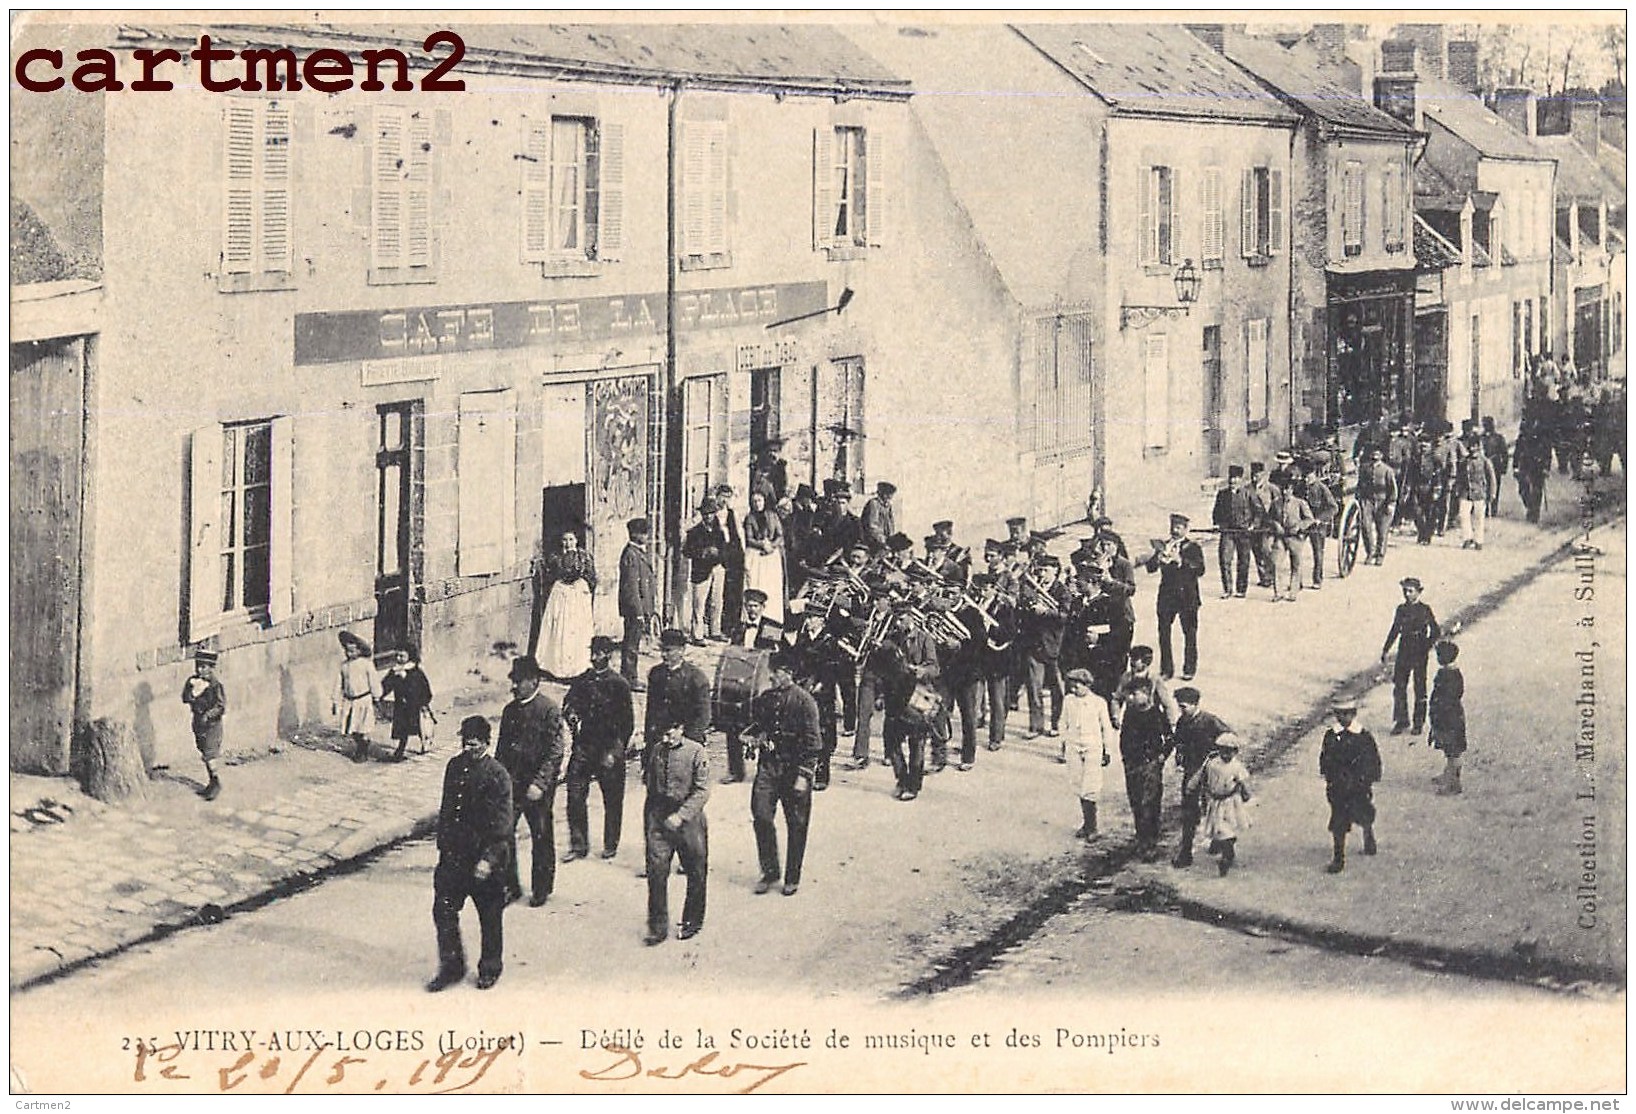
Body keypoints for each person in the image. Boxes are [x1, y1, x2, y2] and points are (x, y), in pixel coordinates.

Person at [427, 715, 513, 991]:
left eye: (475, 746)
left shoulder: (498, 775)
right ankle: (452, 967)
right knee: (443, 910)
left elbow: (502, 825)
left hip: (484, 859)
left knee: (489, 915)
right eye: (466, 745)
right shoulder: (454, 767)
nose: (470, 750)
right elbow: (447, 809)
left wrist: (488, 860)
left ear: (487, 743)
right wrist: (443, 846)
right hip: (454, 856)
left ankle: (490, 967)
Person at [746, 651, 823, 896]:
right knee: (761, 815)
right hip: (769, 767)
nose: (772, 677)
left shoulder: (805, 702)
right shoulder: (766, 699)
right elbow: (755, 726)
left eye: (776, 672)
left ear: (788, 673)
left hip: (794, 769)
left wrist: (804, 776)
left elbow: (814, 745)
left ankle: (792, 877)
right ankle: (770, 872)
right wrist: (755, 738)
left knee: (797, 824)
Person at [494, 656, 565, 908]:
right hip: (512, 784)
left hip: (537, 788)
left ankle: (541, 887)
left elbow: (556, 752)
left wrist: (540, 783)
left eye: (518, 681)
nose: (513, 686)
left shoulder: (549, 710)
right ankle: (510, 886)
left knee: (541, 835)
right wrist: (497, 782)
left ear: (534, 681)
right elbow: (501, 751)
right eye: (513, 681)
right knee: (503, 834)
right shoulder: (509, 711)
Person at [562, 637, 634, 862]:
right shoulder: (583, 680)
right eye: (593, 652)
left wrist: (616, 751)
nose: (594, 657)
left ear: (609, 656)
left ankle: (610, 843)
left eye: (599, 653)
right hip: (584, 745)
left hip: (609, 748)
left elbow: (627, 724)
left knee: (612, 800)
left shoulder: (619, 684)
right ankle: (578, 845)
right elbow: (568, 704)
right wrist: (571, 714)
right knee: (574, 794)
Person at [642, 713, 710, 945]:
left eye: (670, 733)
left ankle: (692, 921)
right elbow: (650, 783)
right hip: (659, 816)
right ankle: (657, 926)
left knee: (696, 870)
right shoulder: (656, 750)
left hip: (688, 818)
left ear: (681, 727)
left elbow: (702, 791)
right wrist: (653, 818)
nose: (666, 738)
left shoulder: (696, 752)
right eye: (662, 734)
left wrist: (681, 816)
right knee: (656, 870)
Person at [721, 588, 783, 784]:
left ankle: (765, 772)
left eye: (755, 606)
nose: (752, 610)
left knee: (765, 727)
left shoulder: (773, 627)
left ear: (763, 608)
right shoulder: (739, 628)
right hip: (741, 684)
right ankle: (735, 771)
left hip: (763, 686)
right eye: (749, 606)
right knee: (733, 724)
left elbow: (779, 657)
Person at [879, 612, 941, 801]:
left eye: (901, 619)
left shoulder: (924, 639)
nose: (898, 623)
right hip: (895, 696)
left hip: (916, 696)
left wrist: (921, 671)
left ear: (911, 618)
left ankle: (912, 785)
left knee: (917, 743)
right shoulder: (891, 639)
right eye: (896, 620)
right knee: (891, 741)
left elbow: (934, 668)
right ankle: (901, 778)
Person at [1169, 686, 1231, 868]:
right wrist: (1179, 753)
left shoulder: (1209, 721)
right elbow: (1178, 741)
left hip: (1210, 772)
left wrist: (1217, 756)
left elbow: (1229, 737)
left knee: (1213, 807)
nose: (1181, 710)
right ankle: (1186, 852)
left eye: (1184, 706)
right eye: (1179, 706)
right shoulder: (1182, 721)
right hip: (1191, 772)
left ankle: (1219, 840)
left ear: (1195, 704)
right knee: (1189, 811)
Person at [1320, 698, 1381, 874]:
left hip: (1358, 786)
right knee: (1338, 819)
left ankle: (1368, 834)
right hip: (1338, 786)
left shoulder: (1363, 736)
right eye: (1339, 714)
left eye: (1346, 714)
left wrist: (1368, 778)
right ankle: (1338, 857)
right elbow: (1325, 758)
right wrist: (1330, 777)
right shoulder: (1331, 735)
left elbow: (1372, 759)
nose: (1342, 718)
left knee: (1363, 812)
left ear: (1354, 714)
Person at [1143, 513, 1206, 679]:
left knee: (1190, 634)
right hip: (1167, 596)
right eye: (1173, 527)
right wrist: (1157, 559)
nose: (1174, 530)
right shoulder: (1163, 545)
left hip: (1187, 596)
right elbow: (1150, 569)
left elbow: (1200, 569)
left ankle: (1189, 669)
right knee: (1164, 633)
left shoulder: (1193, 547)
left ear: (1186, 529)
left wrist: (1180, 561)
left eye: (1178, 527)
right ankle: (1166, 669)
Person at [1119, 677, 1171, 860]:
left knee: (1149, 803)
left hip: (1150, 765)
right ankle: (1141, 837)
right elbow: (1123, 738)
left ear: (1147, 694)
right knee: (1135, 801)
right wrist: (1125, 758)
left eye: (1135, 694)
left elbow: (1169, 737)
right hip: (1132, 764)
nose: (1130, 698)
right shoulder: (1130, 713)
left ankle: (1150, 842)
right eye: (1130, 694)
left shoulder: (1156, 713)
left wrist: (1162, 756)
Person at [1185, 733, 1252, 876]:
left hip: (1230, 802)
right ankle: (1229, 848)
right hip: (1215, 801)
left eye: (1230, 751)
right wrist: (1196, 788)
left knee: (1224, 828)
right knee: (1219, 828)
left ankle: (1226, 858)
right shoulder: (1212, 763)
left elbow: (1242, 782)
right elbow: (1203, 777)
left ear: (1235, 752)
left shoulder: (1236, 766)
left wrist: (1245, 793)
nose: (1226, 754)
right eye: (1223, 750)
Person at [1381, 577, 1441, 736]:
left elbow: (1436, 631)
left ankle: (1418, 723)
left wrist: (1427, 645)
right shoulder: (1401, 609)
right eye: (1404, 591)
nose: (1407, 594)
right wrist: (1386, 649)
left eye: (1410, 591)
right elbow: (1394, 630)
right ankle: (1401, 721)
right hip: (1404, 648)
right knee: (1399, 686)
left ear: (1419, 592)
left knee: (1419, 687)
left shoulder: (1425, 609)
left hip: (1419, 650)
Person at [535, 529, 597, 682]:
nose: (568, 543)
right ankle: (558, 668)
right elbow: (550, 575)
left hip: (577, 597)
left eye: (571, 539)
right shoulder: (556, 558)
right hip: (561, 595)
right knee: (559, 628)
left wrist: (582, 587)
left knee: (577, 630)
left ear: (576, 540)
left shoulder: (584, 557)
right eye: (565, 540)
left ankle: (578, 668)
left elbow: (592, 577)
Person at [643, 629, 712, 767]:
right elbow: (651, 711)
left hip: (687, 743)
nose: (664, 655)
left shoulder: (696, 678)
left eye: (669, 651)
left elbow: (704, 716)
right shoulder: (656, 674)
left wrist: (684, 735)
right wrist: (649, 743)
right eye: (662, 650)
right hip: (659, 741)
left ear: (681, 650)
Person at [1020, 555, 1070, 741]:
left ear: (1055, 571)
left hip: (1055, 646)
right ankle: (1036, 725)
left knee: (1058, 689)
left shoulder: (1062, 590)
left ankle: (1056, 723)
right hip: (1035, 646)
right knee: (1034, 689)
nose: (1042, 573)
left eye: (1046, 570)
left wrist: (1046, 611)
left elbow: (1065, 616)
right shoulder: (1033, 588)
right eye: (1040, 570)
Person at [1061, 668, 1114, 839]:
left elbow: (1106, 727)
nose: (1074, 690)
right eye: (1072, 687)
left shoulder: (1099, 702)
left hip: (1093, 747)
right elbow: (1063, 722)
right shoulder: (1068, 701)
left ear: (1087, 685)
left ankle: (1092, 826)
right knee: (1077, 783)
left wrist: (1107, 750)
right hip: (1073, 745)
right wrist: (1063, 742)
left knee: (1090, 786)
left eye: (1077, 687)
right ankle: (1086, 823)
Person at [617, 517, 658, 690]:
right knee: (631, 644)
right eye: (643, 533)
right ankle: (629, 677)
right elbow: (632, 586)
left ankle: (629, 676)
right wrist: (639, 611)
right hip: (634, 608)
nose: (647, 536)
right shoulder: (631, 554)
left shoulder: (638, 552)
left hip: (640, 607)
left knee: (634, 642)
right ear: (634, 534)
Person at [682, 498, 729, 645]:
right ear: (702, 514)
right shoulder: (694, 532)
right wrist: (703, 552)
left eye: (711, 513)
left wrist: (719, 554)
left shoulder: (720, 530)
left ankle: (715, 631)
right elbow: (687, 551)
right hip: (701, 570)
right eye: (706, 513)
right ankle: (697, 634)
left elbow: (726, 550)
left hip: (717, 568)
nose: (708, 516)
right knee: (699, 603)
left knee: (717, 601)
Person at [181, 647, 226, 800]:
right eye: (198, 666)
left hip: (212, 725)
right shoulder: (192, 681)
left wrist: (208, 715)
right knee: (202, 749)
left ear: (211, 668)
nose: (200, 670)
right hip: (198, 723)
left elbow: (221, 706)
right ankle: (211, 781)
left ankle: (216, 782)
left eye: (204, 666)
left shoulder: (215, 686)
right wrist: (192, 693)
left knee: (209, 753)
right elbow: (185, 698)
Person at [380, 646, 435, 762]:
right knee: (402, 728)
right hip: (401, 705)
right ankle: (400, 750)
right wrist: (380, 694)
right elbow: (386, 685)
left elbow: (423, 689)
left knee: (419, 726)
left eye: (402, 656)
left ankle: (424, 742)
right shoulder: (395, 671)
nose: (399, 658)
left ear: (410, 656)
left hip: (415, 705)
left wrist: (406, 679)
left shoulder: (415, 672)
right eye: (397, 656)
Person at [334, 630, 381, 763]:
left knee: (363, 727)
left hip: (363, 700)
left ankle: (363, 751)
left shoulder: (366, 664)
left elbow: (373, 680)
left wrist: (376, 696)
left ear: (360, 651)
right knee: (352, 727)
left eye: (352, 651)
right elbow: (339, 683)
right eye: (347, 651)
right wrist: (335, 699)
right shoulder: (344, 666)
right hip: (350, 701)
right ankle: (360, 744)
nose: (349, 654)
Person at [1211, 465, 1258, 599]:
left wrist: (1253, 525)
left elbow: (1258, 512)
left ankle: (1241, 590)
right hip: (1227, 532)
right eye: (1231, 478)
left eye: (1236, 478)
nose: (1233, 481)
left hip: (1244, 532)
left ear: (1241, 479)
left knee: (1243, 561)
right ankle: (1227, 589)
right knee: (1224, 560)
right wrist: (1216, 524)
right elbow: (1216, 512)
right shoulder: (1222, 494)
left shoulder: (1249, 493)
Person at [741, 489, 787, 623]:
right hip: (756, 555)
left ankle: (772, 619)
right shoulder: (750, 518)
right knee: (755, 585)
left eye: (759, 500)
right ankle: (752, 620)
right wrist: (762, 544)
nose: (757, 504)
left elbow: (780, 535)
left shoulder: (772, 516)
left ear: (764, 501)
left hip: (771, 556)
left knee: (771, 587)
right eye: (754, 501)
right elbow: (749, 538)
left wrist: (772, 546)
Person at [1428, 640, 1467, 796]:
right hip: (1449, 716)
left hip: (1448, 717)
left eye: (1439, 655)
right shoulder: (1450, 673)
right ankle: (1448, 774)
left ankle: (1454, 783)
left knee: (1453, 750)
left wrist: (1439, 715)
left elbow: (1448, 698)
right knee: (1449, 748)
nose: (1437, 658)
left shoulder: (1449, 675)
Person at [1270, 471, 1316, 601]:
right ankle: (1278, 592)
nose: (1285, 492)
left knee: (1296, 565)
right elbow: (1269, 518)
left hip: (1295, 538)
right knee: (1276, 563)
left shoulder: (1300, 503)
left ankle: (1293, 592)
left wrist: (1299, 526)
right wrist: (1275, 525)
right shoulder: (1276, 503)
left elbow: (1309, 519)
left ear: (1292, 490)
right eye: (1283, 489)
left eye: (1288, 490)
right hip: (1280, 537)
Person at [1296, 460, 1337, 590]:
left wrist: (1320, 519)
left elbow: (1333, 507)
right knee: (1296, 551)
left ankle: (1317, 579)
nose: (1306, 479)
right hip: (1303, 524)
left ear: (1314, 475)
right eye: (1304, 476)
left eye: (1308, 476)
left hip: (1317, 526)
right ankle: (1297, 581)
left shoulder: (1321, 488)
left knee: (1318, 553)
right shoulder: (1300, 487)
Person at [1356, 447, 1398, 566]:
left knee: (1382, 530)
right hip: (1367, 501)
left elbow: (1393, 489)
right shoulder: (1365, 468)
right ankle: (1370, 553)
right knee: (1365, 526)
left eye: (1378, 454)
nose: (1375, 456)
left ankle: (1380, 555)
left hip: (1382, 501)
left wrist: (1391, 503)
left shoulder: (1387, 470)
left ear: (1382, 455)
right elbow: (1360, 485)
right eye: (1373, 453)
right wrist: (1359, 499)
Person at [1455, 428, 1496, 551]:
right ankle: (1467, 538)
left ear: (1479, 447)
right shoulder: (1464, 461)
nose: (1472, 449)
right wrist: (1458, 489)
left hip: (1479, 493)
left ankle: (1479, 540)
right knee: (1464, 515)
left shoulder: (1485, 461)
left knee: (1479, 517)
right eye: (1470, 447)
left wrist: (1492, 493)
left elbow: (1491, 478)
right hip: (1465, 492)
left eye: (1475, 447)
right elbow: (1459, 476)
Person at [715, 483, 746, 632]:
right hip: (719, 557)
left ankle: (731, 625)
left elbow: (739, 536)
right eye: (723, 497)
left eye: (728, 497)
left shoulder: (732, 514)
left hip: (733, 557)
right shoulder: (713, 514)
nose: (725, 500)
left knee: (733, 592)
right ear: (717, 496)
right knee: (718, 594)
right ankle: (716, 626)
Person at [1480, 417, 1510, 516]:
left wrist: (1504, 467)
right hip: (1483, 466)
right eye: (1485, 425)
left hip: (1495, 466)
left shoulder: (1499, 438)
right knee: (1484, 486)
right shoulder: (1481, 438)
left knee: (1494, 487)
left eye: (1489, 424)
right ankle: (1485, 508)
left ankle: (1493, 508)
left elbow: (1505, 454)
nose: (1487, 427)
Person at [860, 481, 898, 554]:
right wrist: (883, 540)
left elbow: (891, 525)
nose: (890, 497)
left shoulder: (888, 506)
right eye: (888, 494)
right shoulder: (874, 504)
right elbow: (872, 526)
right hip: (873, 542)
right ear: (883, 494)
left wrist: (891, 540)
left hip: (884, 541)